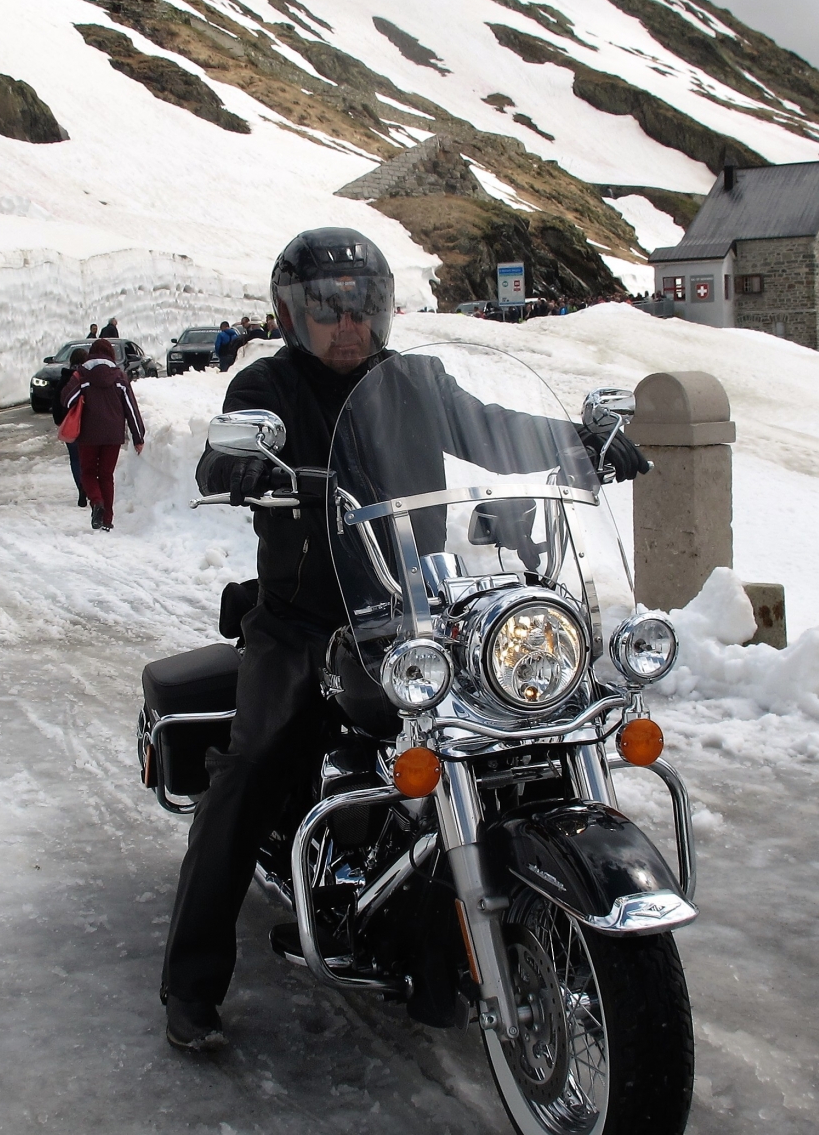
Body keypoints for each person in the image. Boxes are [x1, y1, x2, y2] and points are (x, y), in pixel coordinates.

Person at [156, 228, 649, 1051]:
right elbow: (223, 446)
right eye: (327, 310)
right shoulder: (269, 384)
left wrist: (579, 445)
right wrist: (233, 468)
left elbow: (495, 427)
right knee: (253, 764)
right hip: (305, 624)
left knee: (509, 732)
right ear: (291, 316)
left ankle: (454, 919)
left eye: (362, 308)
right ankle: (191, 984)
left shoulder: (416, 381)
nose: (348, 325)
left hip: (419, 614)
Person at [59, 336, 144, 531]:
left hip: (88, 434)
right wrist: (138, 437)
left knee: (88, 472)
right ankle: (107, 520)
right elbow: (131, 407)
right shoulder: (120, 376)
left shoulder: (81, 375)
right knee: (106, 475)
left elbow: (67, 400)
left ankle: (96, 502)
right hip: (113, 435)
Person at [52, 346, 89, 506]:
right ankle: (88, 486)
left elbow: (57, 403)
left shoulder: (64, 378)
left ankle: (80, 487)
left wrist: (60, 420)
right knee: (87, 458)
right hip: (87, 424)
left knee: (75, 458)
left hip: (70, 425)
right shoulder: (86, 378)